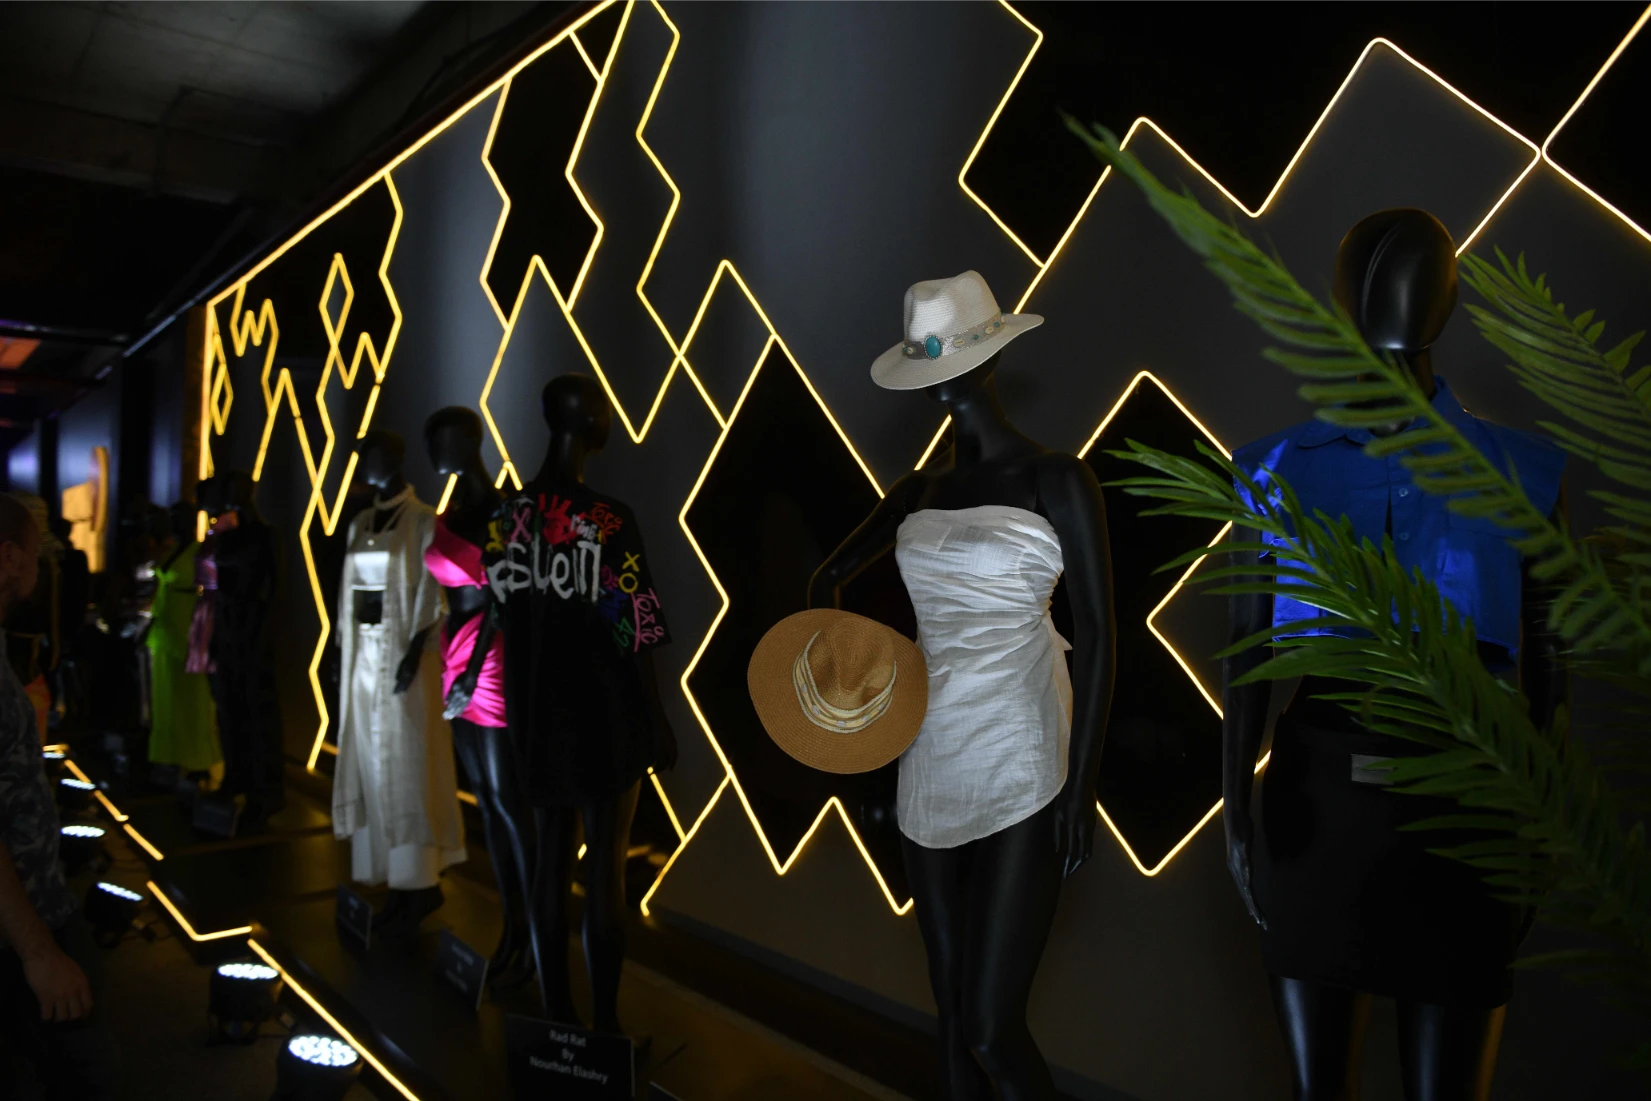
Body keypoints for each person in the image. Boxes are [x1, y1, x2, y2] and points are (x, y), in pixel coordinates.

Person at [0, 492, 116, 1098]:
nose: (41, 570)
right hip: (21, 924)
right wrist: (38, 950)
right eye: (35, 554)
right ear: (9, 558)